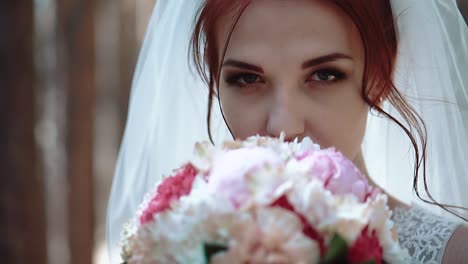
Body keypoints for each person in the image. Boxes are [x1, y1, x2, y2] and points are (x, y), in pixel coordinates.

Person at [107, 0, 468, 263]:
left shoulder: (453, 255)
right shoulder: (174, 246)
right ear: (215, 80)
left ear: (379, 75)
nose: (284, 126)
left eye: (324, 75)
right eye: (247, 79)